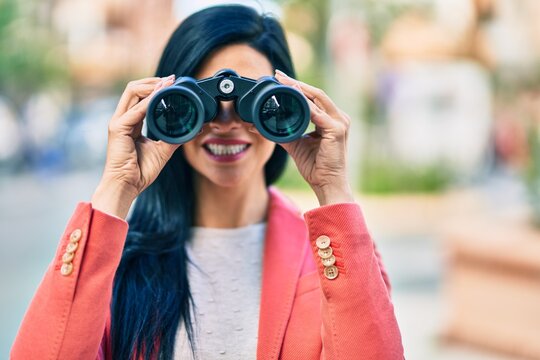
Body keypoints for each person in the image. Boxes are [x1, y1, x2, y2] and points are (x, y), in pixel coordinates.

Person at [11, 4, 403, 360]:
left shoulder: (333, 255)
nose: (226, 124)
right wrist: (115, 188)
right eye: (202, 102)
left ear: (291, 102)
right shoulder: (116, 261)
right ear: (164, 102)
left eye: (257, 101)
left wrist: (333, 188)